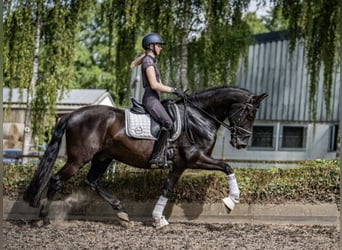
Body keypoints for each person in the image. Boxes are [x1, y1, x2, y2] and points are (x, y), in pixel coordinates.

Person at [131, 32, 185, 166]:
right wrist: (174, 90)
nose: (161, 48)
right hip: (150, 99)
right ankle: (157, 157)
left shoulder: (151, 61)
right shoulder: (148, 62)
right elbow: (154, 85)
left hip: (154, 98)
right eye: (159, 45)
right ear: (151, 46)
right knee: (168, 123)